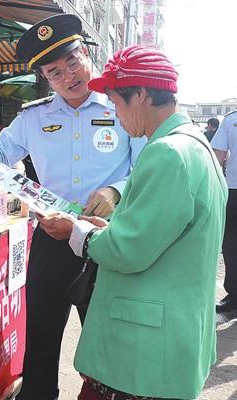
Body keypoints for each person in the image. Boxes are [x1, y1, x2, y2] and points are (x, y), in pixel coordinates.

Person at [0, 14, 144, 400]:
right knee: (42, 333)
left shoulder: (120, 106)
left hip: (105, 239)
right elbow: (0, 151)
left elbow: (147, 169)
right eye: (55, 72)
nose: (68, 76)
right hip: (51, 237)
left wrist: (116, 191)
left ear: (87, 55)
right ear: (45, 78)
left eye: (72, 62)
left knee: (105, 336)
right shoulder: (34, 117)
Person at [43, 45, 227, 400]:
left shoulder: (167, 153)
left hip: (144, 348)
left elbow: (127, 250)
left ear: (141, 95)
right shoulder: (195, 145)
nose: (116, 113)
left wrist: (77, 231)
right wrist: (109, 229)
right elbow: (160, 233)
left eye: (116, 102)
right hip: (174, 332)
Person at [212, 112, 237, 313]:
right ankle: (235, 295)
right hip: (233, 190)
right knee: (230, 246)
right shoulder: (231, 120)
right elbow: (217, 156)